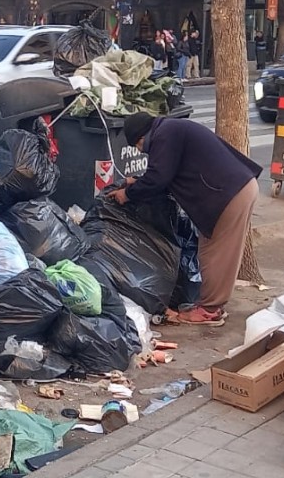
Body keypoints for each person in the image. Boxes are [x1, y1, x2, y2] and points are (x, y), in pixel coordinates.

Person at [110, 112, 262, 326]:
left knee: (214, 254)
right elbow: (167, 171)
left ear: (141, 137)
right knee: (221, 251)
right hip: (237, 189)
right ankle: (213, 307)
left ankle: (208, 311)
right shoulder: (171, 129)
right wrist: (137, 181)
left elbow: (159, 177)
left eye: (137, 145)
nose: (139, 150)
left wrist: (127, 194)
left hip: (229, 194)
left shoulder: (164, 134)